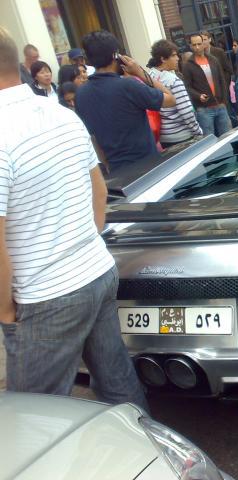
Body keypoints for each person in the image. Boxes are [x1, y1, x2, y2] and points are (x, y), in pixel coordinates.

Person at [0, 26, 148, 409]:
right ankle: (151, 460)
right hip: (95, 269)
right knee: (118, 387)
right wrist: (82, 239)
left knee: (33, 415)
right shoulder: (60, 113)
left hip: (45, 293)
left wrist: (5, 311)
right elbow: (98, 190)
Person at [75, 30, 175, 172]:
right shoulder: (128, 86)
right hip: (148, 165)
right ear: (115, 55)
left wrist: (107, 164)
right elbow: (170, 99)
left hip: (117, 170)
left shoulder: (81, 94)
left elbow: (93, 137)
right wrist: (139, 72)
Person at [148, 40, 202, 148]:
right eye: (173, 55)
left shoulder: (149, 77)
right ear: (162, 59)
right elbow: (186, 112)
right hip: (182, 136)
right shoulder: (173, 81)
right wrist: (198, 132)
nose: (177, 58)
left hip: (163, 136)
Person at [182, 33, 232, 137]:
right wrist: (198, 96)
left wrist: (224, 101)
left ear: (204, 44)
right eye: (194, 45)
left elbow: (221, 80)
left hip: (220, 105)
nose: (197, 47)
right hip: (203, 109)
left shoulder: (213, 60)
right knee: (209, 141)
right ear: (190, 46)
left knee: (227, 138)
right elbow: (187, 87)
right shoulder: (188, 65)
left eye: (199, 44)